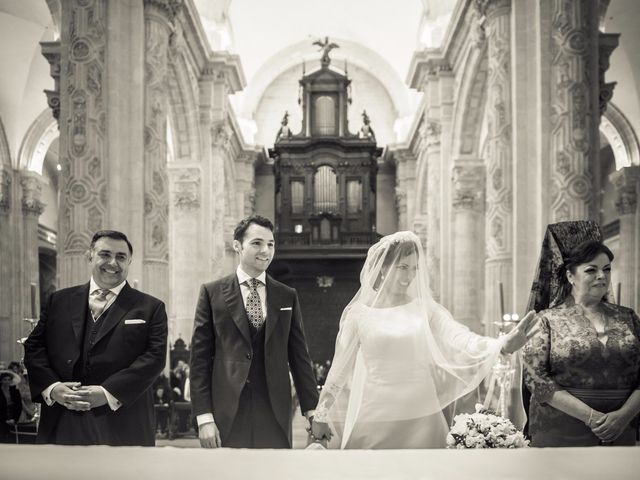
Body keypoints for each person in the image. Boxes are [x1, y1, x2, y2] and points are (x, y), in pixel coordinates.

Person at [310, 231, 538, 448]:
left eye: (414, 268)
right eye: (403, 267)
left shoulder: (425, 309)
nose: (409, 276)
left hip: (423, 414)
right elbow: (339, 370)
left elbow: (460, 337)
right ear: (382, 268)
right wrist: (321, 414)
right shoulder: (359, 314)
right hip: (376, 413)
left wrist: (500, 345)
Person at [23, 230, 168, 446]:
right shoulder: (59, 301)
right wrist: (53, 388)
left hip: (124, 420)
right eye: (105, 254)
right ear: (90, 256)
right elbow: (34, 347)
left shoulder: (151, 307)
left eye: (121, 257)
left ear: (129, 262)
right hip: (63, 418)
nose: (113, 263)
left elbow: (154, 358)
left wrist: (107, 393)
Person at [190, 215, 319, 448]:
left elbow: (299, 357)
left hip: (275, 412)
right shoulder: (212, 293)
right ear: (237, 245)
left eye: (270, 244)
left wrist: (313, 411)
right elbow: (199, 359)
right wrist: (204, 418)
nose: (266, 251)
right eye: (257, 243)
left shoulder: (286, 295)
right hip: (227, 412)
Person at [522, 232, 640, 447]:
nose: (602, 276)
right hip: (562, 430)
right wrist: (592, 417)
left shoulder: (629, 317)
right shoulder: (546, 320)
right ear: (570, 276)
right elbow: (535, 381)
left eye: (606, 269)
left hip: (622, 429)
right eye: (591, 270)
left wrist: (623, 416)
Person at [0, 370, 22, 443]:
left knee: (11, 438)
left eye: (9, 380)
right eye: (5, 380)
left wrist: (15, 419)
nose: (7, 381)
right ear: (1, 381)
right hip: (1, 417)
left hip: (12, 416)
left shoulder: (15, 391)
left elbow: (19, 405)